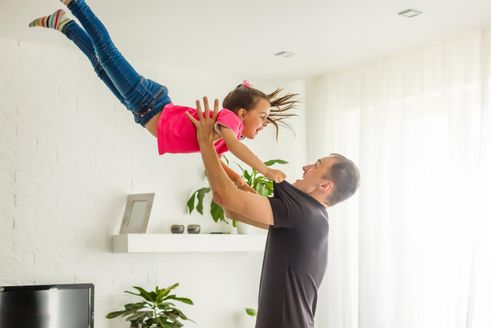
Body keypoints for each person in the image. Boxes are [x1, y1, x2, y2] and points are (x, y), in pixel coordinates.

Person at [29, 0, 299, 188]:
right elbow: (238, 148)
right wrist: (264, 170)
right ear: (242, 113)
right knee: (108, 53)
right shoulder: (229, 120)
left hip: (141, 110)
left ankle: (65, 25)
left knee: (101, 67)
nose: (264, 123)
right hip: (150, 102)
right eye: (263, 116)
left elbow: (212, 161)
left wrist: (235, 179)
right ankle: (76, 4)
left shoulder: (225, 136)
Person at [187, 97, 360, 328]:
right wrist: (212, 152)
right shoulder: (310, 215)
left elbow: (226, 198)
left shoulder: (303, 212)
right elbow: (233, 210)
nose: (305, 166)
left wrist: (205, 143)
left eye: (316, 166)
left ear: (325, 186)